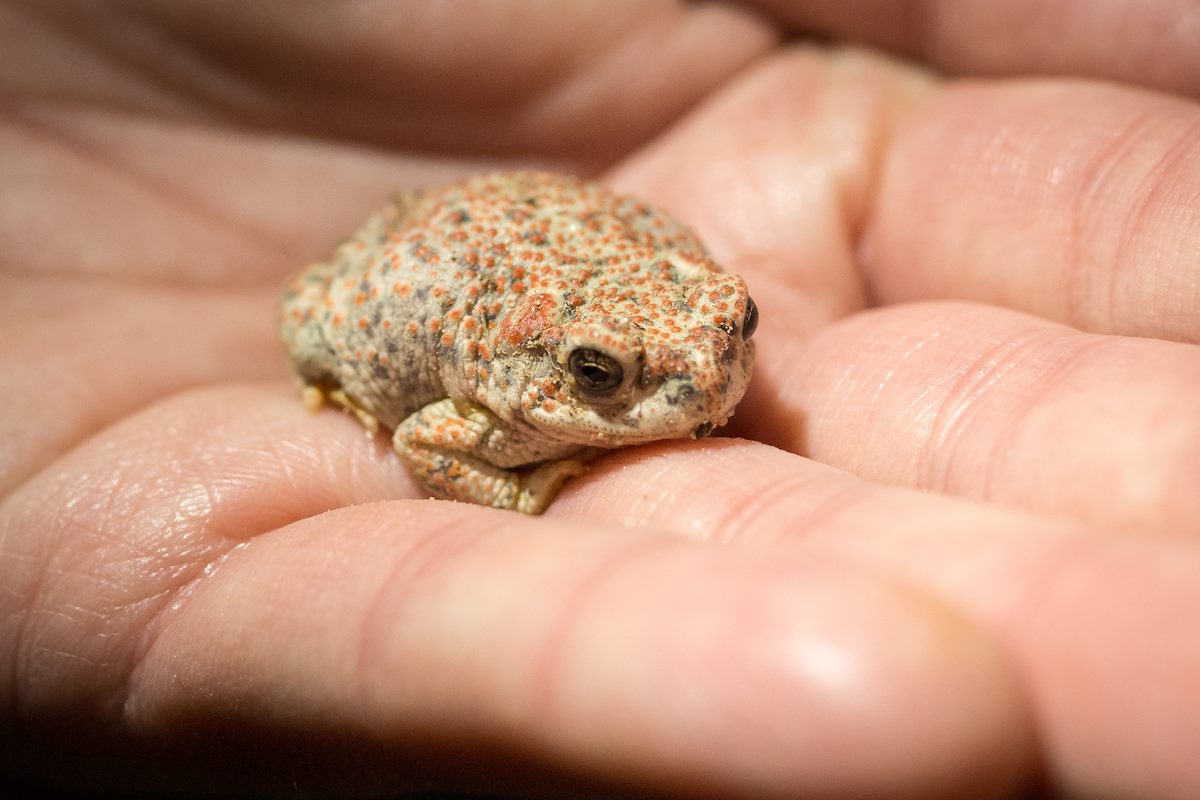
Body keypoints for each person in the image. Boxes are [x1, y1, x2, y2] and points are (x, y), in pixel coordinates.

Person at [2, 2, 1197, 797]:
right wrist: (526, 478)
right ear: (552, 379)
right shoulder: (499, 399)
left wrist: (661, 363)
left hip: (562, 231)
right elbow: (430, 432)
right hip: (427, 270)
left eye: (733, 337)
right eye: (608, 383)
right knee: (316, 319)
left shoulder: (680, 317)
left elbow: (673, 321)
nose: (709, 386)